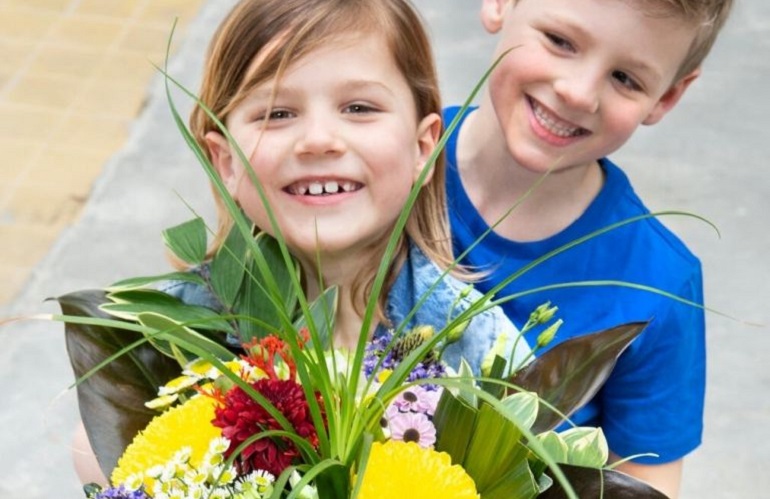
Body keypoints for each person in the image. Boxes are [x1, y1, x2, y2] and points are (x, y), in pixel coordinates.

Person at [73, 0, 528, 486]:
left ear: (422, 148)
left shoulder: (477, 342)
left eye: (359, 108)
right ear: (225, 161)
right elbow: (99, 452)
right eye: (278, 112)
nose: (318, 140)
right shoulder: (172, 334)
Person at [442, 0, 733, 497]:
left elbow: (642, 482)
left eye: (624, 77)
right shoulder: (384, 166)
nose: (577, 93)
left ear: (668, 96)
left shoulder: (658, 282)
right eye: (560, 41)